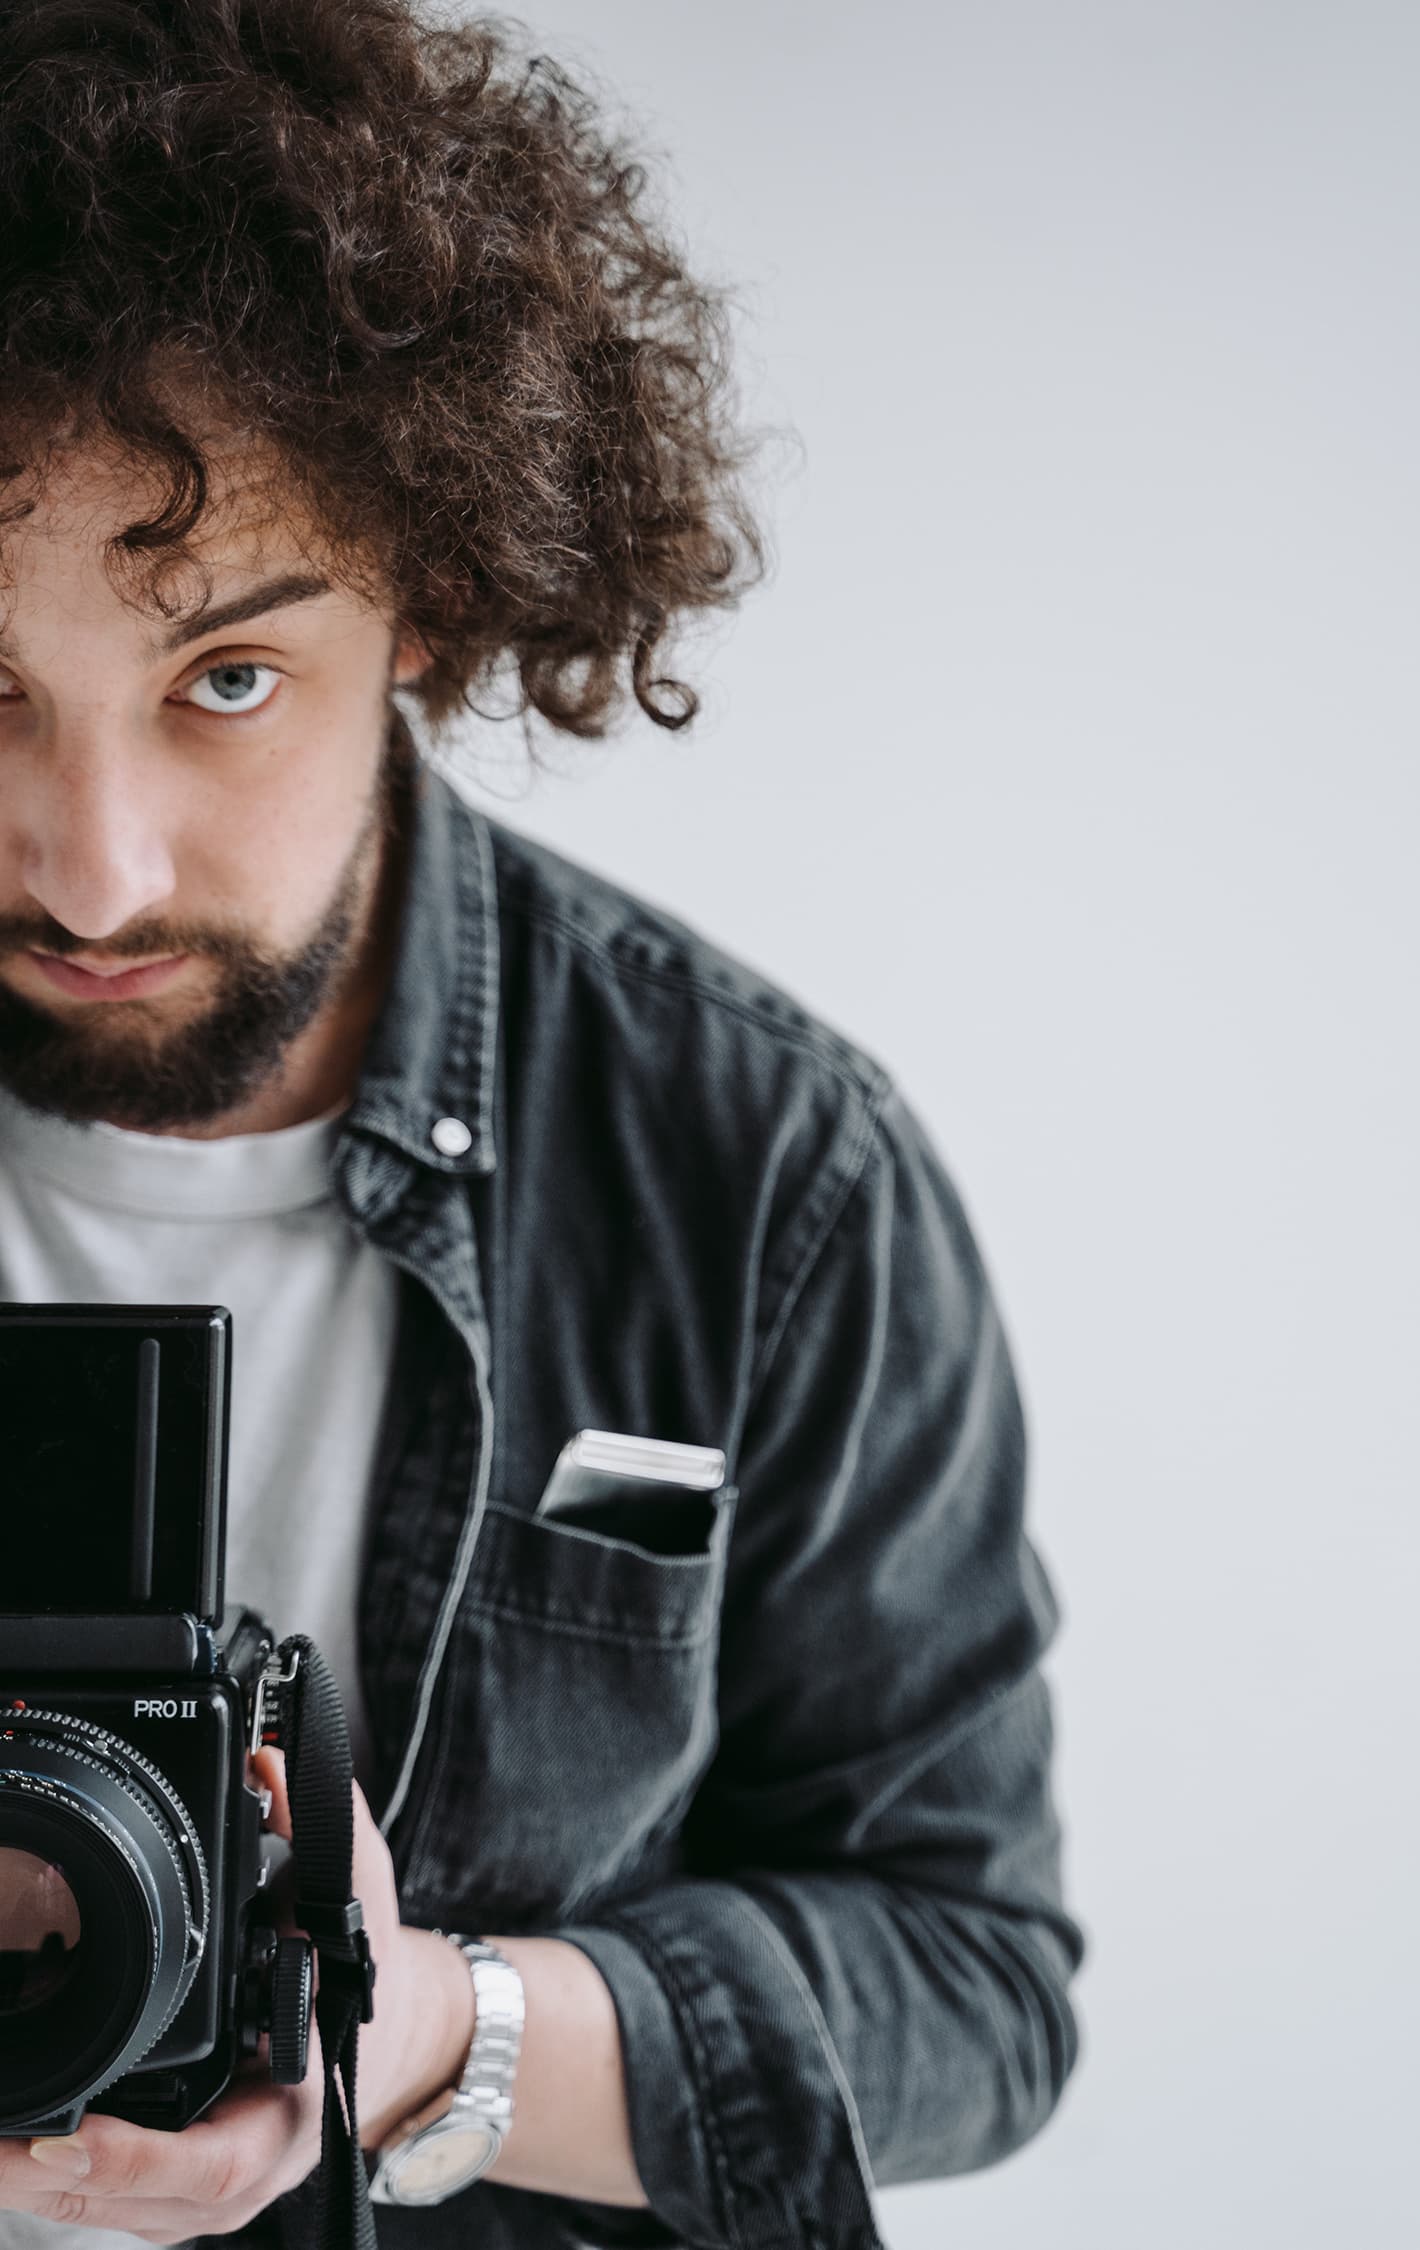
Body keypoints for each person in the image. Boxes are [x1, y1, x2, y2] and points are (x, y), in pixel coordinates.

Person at [0, 5, 1085, 2248]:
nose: (89, 870)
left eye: (225, 679)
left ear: (441, 590)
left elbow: (975, 1987)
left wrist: (442, 2036)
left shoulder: (763, 1176)